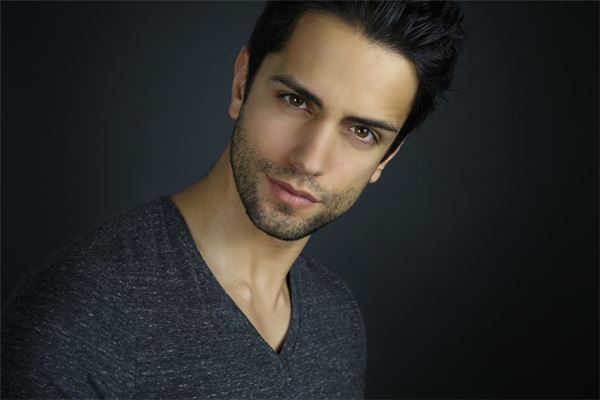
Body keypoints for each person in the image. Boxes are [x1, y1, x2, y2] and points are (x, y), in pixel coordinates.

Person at [1, 1, 465, 398]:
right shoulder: (76, 317)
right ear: (242, 83)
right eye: (296, 101)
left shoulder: (338, 319)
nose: (310, 159)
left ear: (387, 157)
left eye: (362, 132)